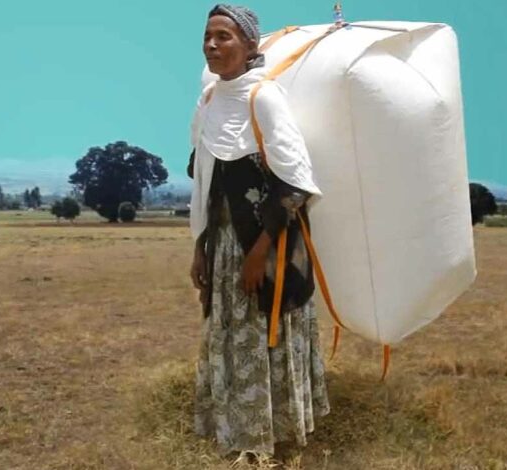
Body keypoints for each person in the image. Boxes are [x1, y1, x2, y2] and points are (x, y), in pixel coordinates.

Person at [188, 4, 330, 463]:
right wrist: (200, 246)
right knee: (232, 339)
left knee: (264, 338)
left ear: (251, 46)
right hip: (225, 246)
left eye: (224, 36)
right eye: (208, 36)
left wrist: (259, 252)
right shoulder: (209, 101)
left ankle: (273, 438)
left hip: (271, 246)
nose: (212, 44)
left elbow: (297, 185)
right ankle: (239, 432)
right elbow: (205, 181)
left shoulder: (263, 98)